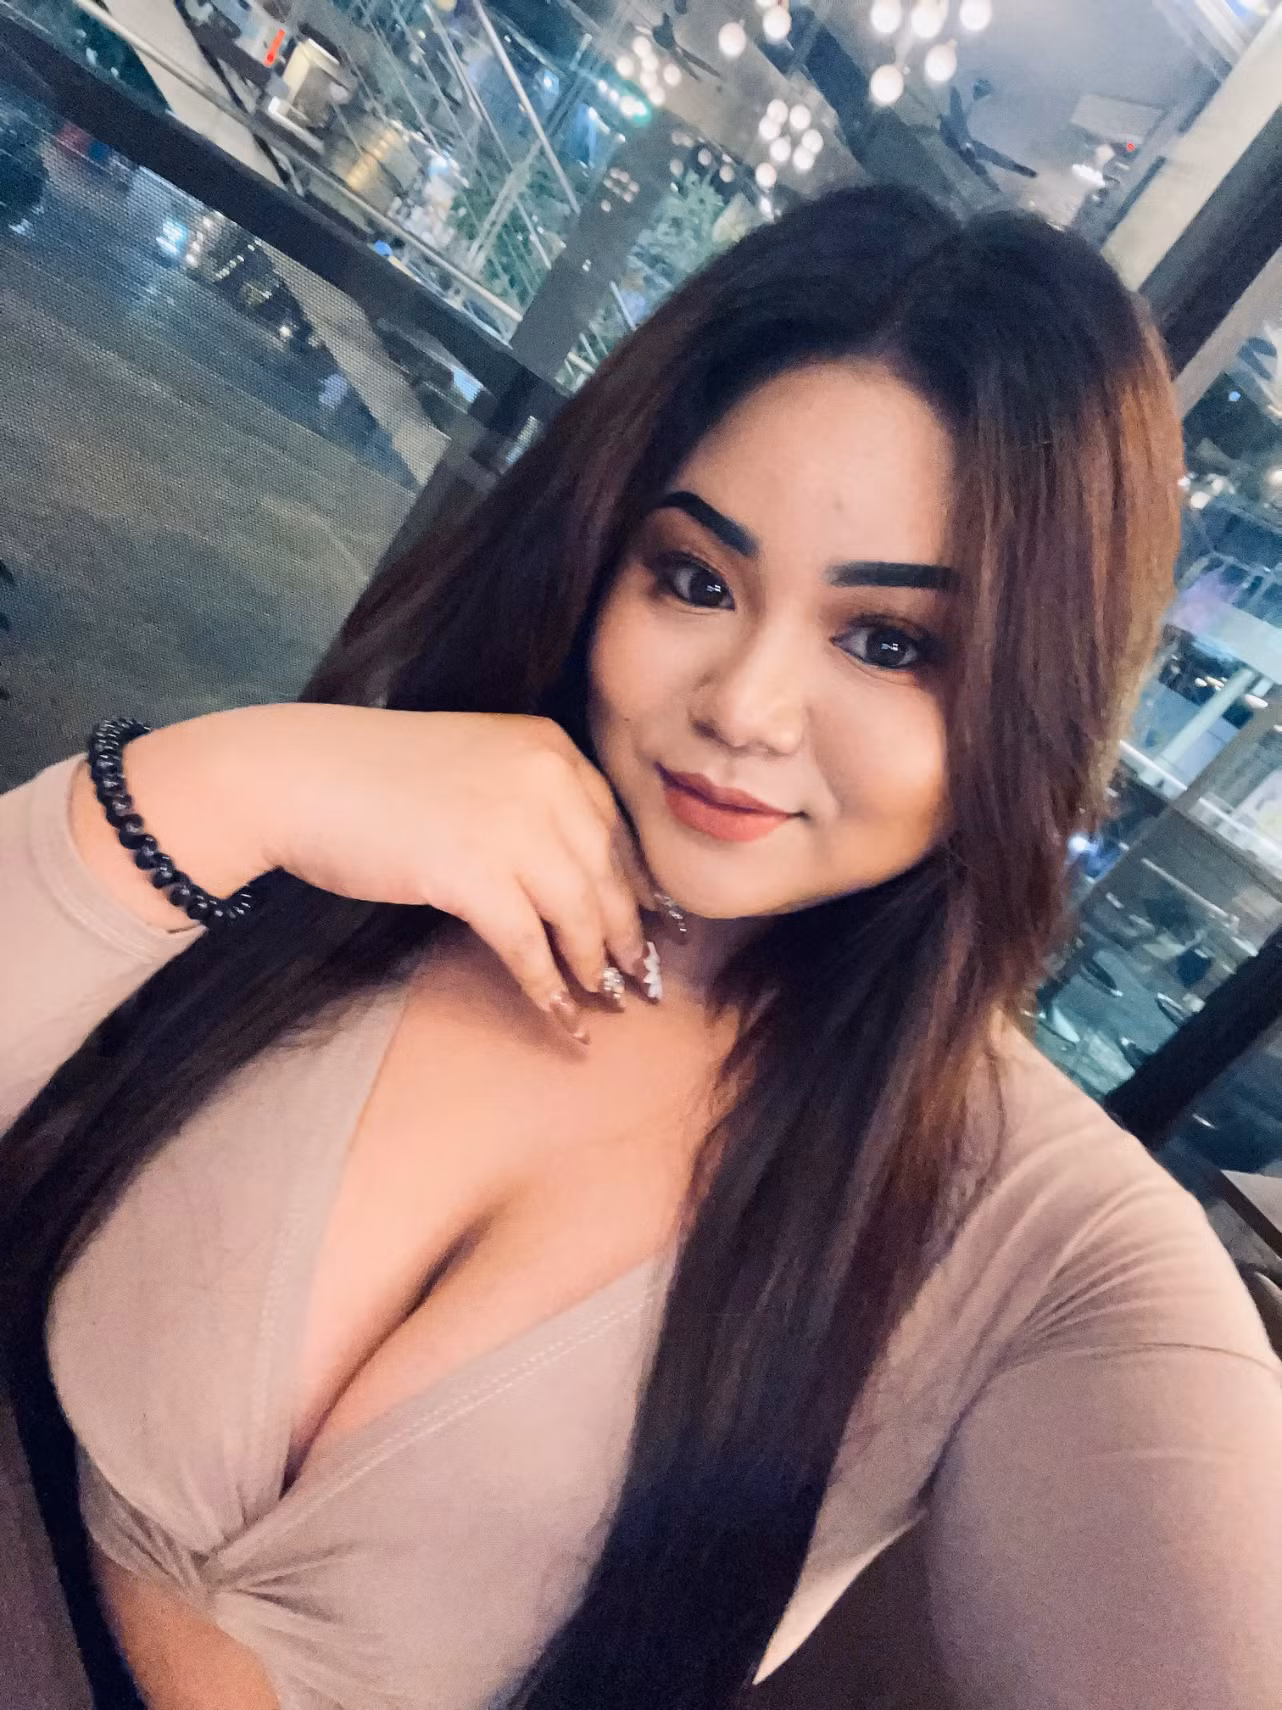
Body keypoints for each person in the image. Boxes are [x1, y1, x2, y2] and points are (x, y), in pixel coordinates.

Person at [2, 186, 1280, 1710]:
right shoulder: (379, 849)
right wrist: (223, 788)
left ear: (1036, 694)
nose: (742, 705)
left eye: (888, 641)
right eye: (695, 578)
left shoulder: (1041, 1234)